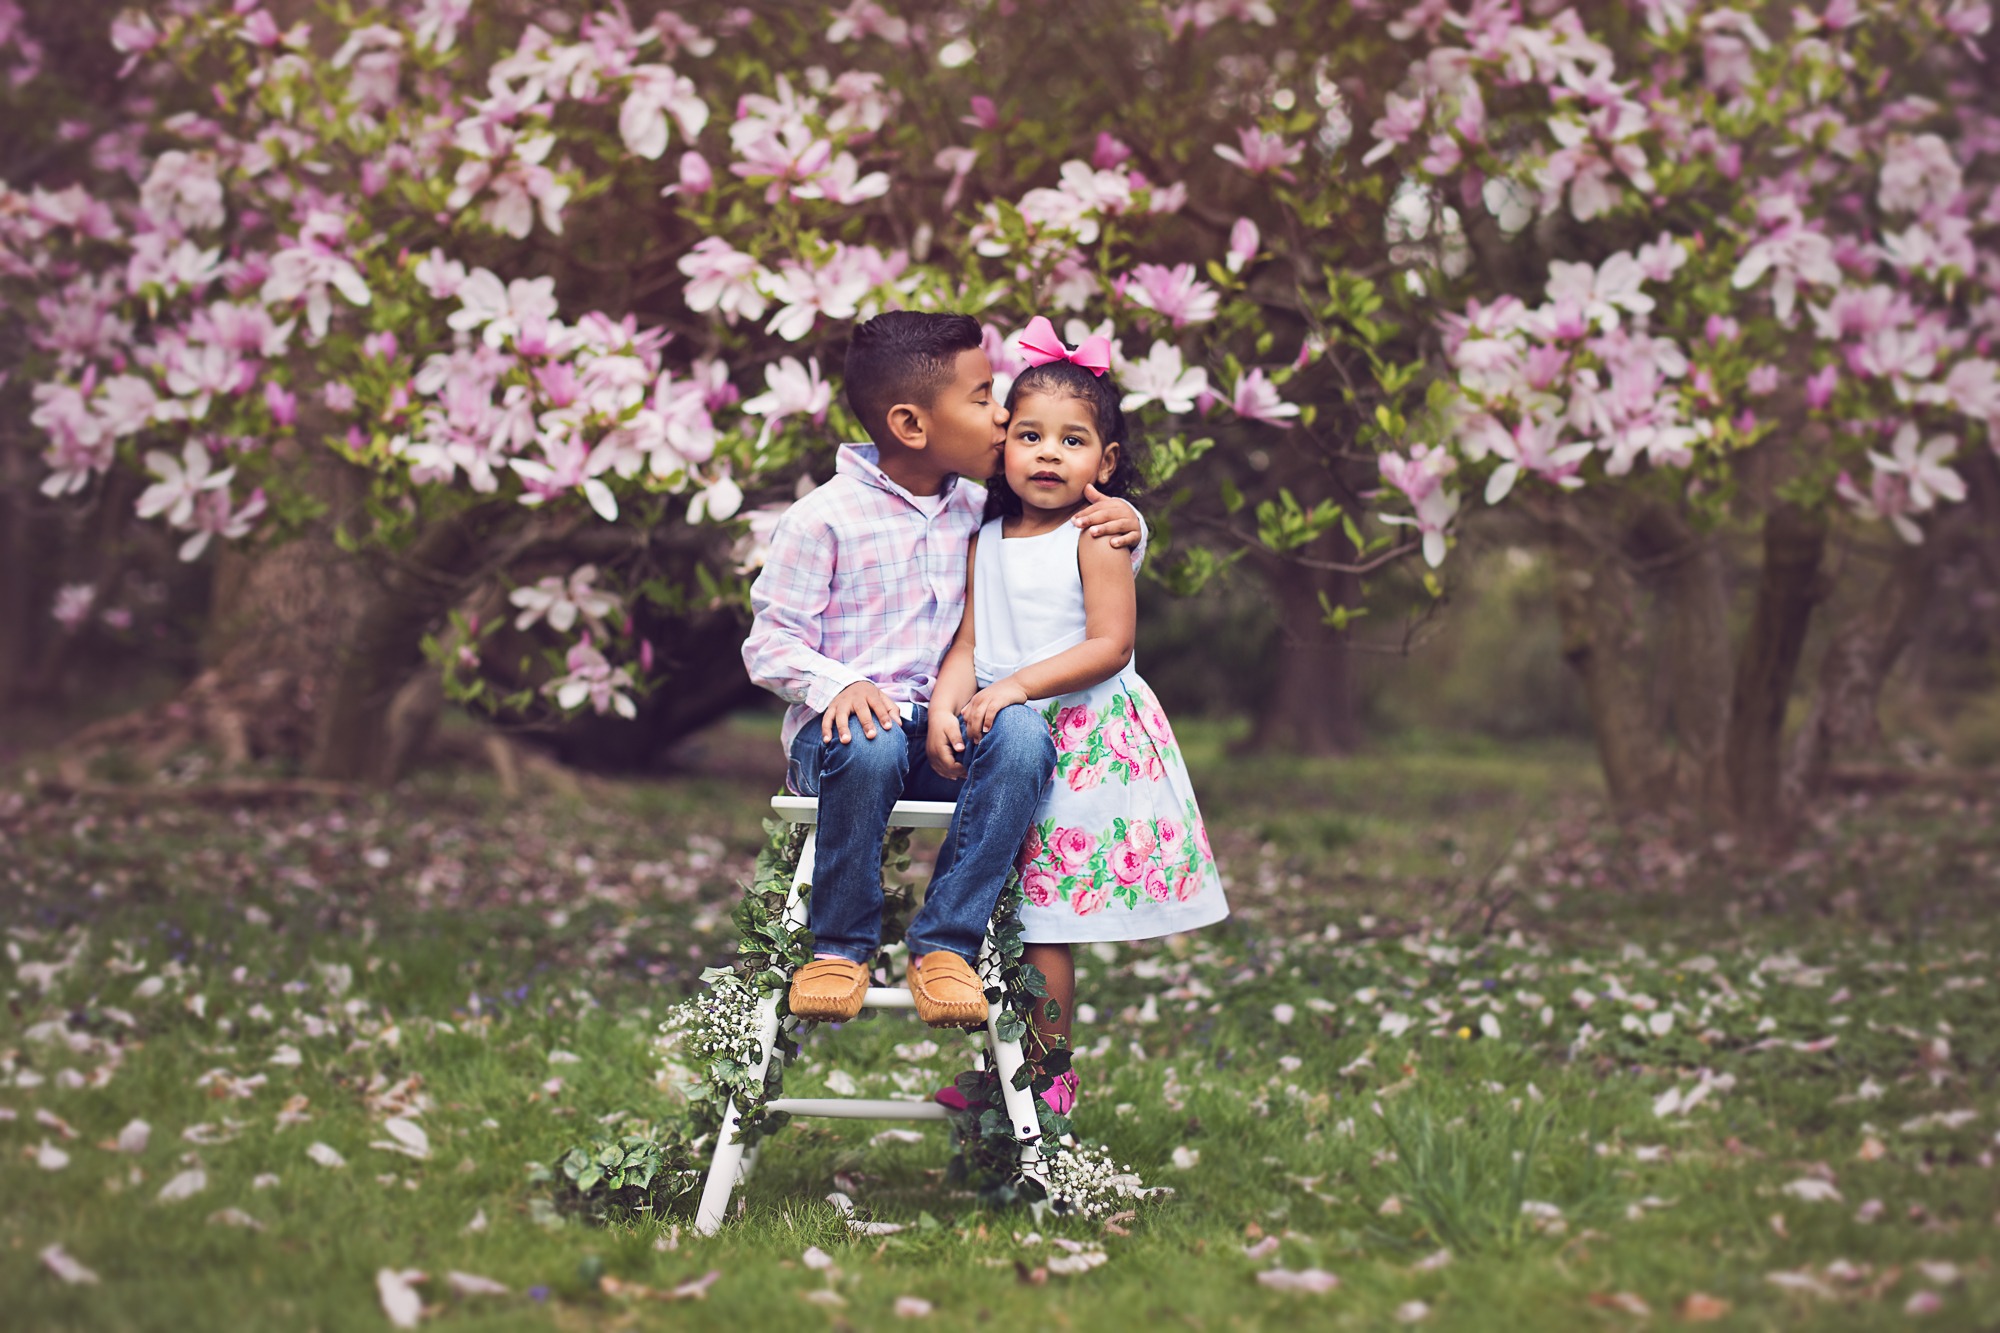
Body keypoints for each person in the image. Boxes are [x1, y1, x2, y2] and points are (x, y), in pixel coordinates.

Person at [741, 311, 1146, 1029]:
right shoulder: (822, 519)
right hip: (843, 744)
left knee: (1021, 736)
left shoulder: (979, 506)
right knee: (873, 740)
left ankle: (944, 944)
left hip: (945, 732)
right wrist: (840, 683)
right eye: (984, 397)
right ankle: (840, 944)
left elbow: (1066, 528)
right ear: (911, 423)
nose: (1002, 416)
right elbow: (769, 643)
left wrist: (1133, 525)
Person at [930, 317, 1228, 1113]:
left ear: (1107, 461)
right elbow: (968, 639)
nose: (1049, 453)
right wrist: (943, 706)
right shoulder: (984, 536)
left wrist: (1017, 687)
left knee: (1045, 918)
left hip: (1083, 743)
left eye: (1072, 439)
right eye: (1030, 435)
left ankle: (1048, 1074)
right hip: (1001, 737)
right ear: (1003, 449)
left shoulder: (1097, 535)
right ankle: (1002, 1072)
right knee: (999, 904)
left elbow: (1110, 643)